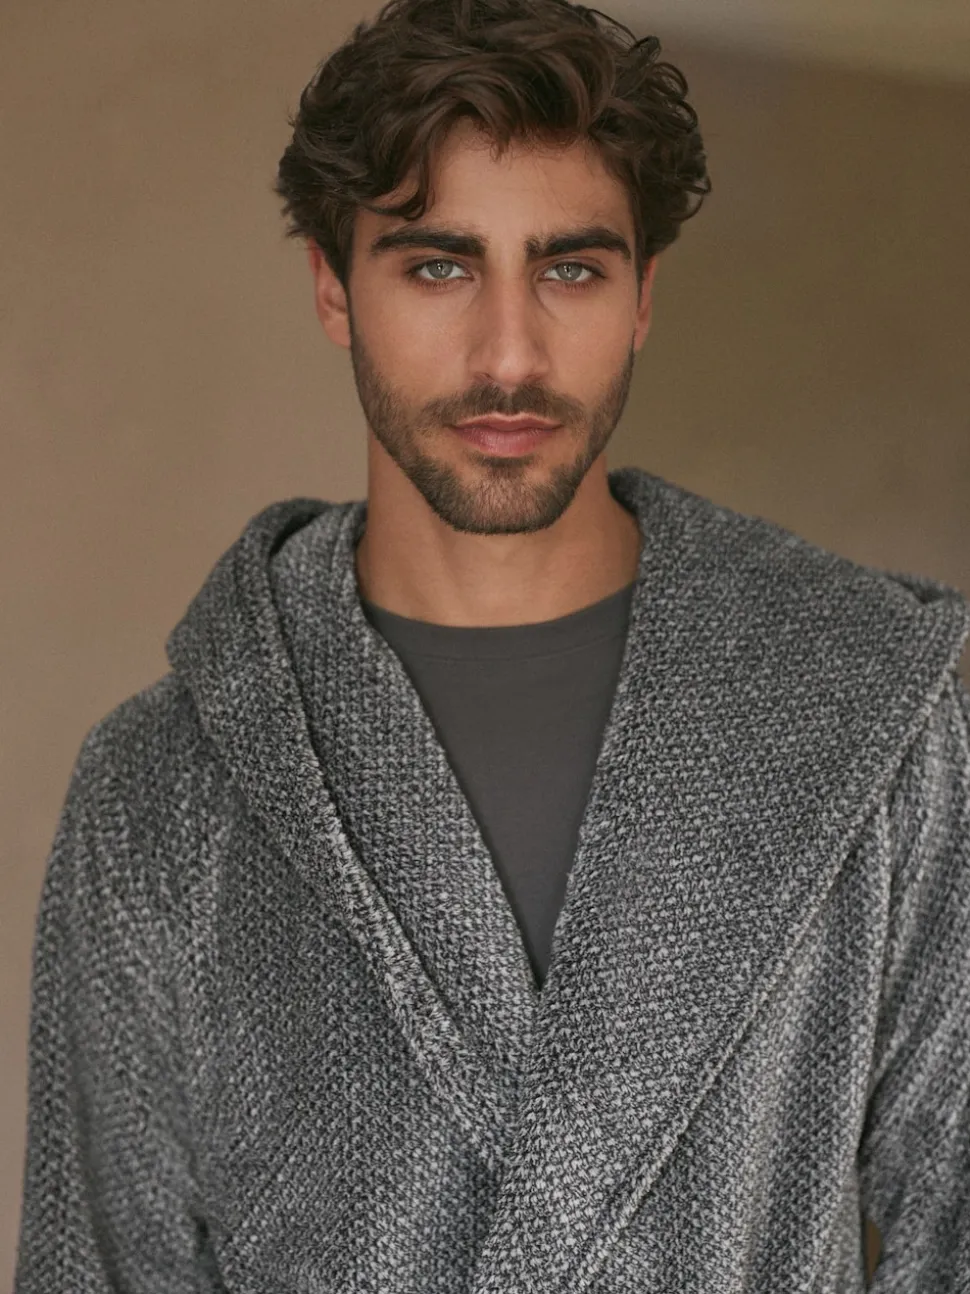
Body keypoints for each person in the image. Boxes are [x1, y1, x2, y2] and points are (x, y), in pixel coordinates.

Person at [14, 0, 970, 1290]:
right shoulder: (158, 792)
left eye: (571, 270)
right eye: (438, 267)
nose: (510, 354)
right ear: (332, 288)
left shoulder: (868, 718)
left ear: (643, 296)